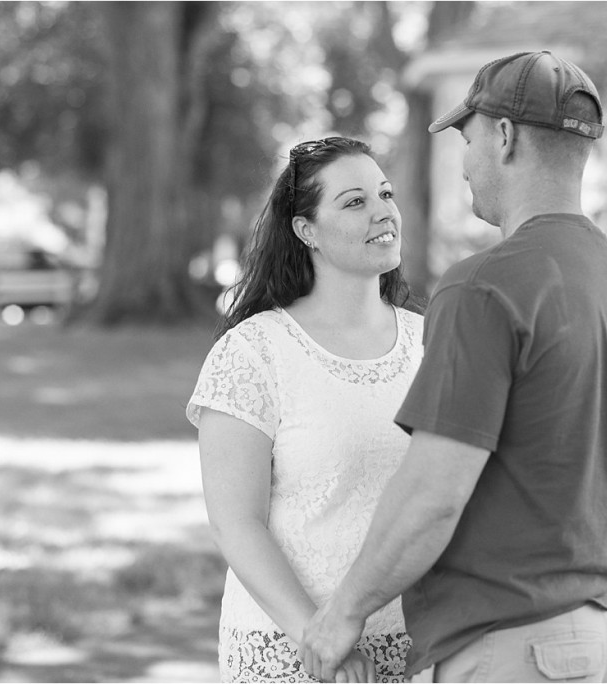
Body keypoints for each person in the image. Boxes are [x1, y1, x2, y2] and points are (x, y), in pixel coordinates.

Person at [299, 51, 607, 683]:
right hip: (598, 639)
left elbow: (433, 493)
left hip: (507, 650)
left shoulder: (484, 286)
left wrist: (343, 613)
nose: (465, 165)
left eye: (466, 141)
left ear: (504, 136)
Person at [187, 136, 424, 683]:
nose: (383, 211)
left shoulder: (430, 343)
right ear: (306, 230)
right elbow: (234, 523)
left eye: (384, 194)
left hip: (420, 646)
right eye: (354, 201)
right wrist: (321, 638)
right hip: (291, 649)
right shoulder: (254, 352)